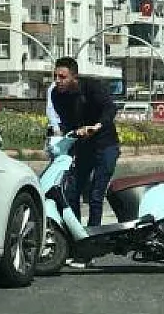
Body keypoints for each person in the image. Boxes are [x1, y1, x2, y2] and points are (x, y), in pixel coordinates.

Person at [46, 56, 120, 237]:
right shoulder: (57, 95)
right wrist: (67, 136)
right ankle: (78, 235)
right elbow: (66, 122)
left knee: (96, 194)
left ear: (74, 77)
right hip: (83, 145)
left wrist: (96, 126)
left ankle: (92, 239)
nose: (58, 81)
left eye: (62, 77)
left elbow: (110, 109)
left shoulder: (92, 87)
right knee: (72, 192)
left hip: (106, 144)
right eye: (55, 76)